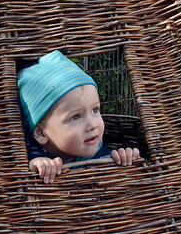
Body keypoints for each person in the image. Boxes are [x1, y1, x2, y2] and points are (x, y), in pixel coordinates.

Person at [18, 50, 141, 183]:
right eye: (76, 117)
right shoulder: (28, 155)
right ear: (41, 134)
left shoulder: (99, 155)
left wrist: (123, 157)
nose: (92, 124)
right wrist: (36, 165)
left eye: (95, 110)